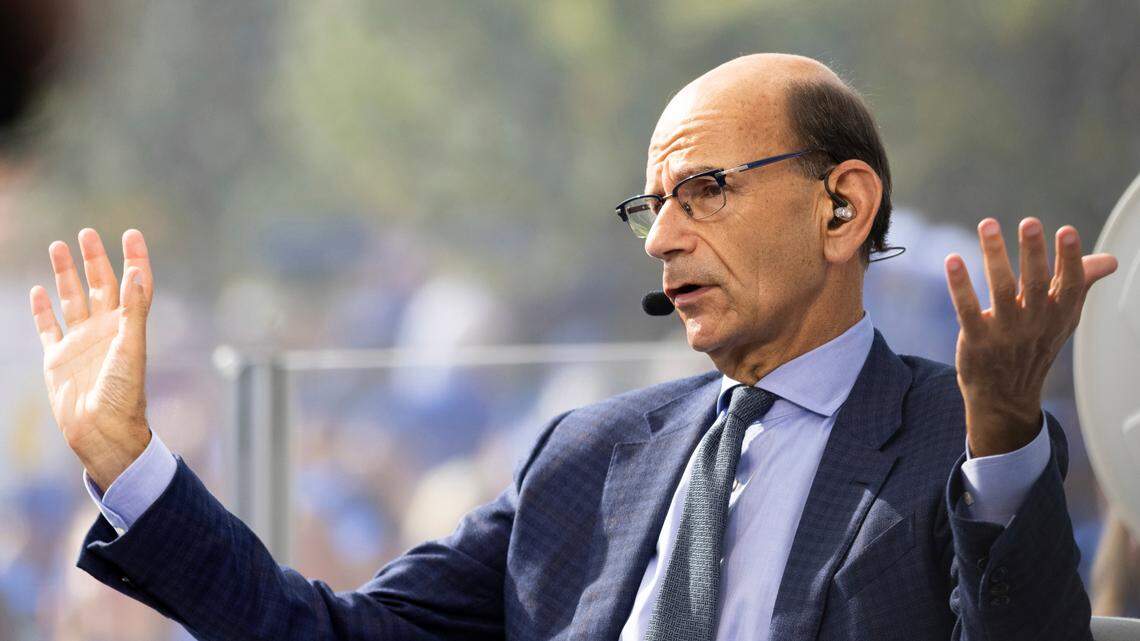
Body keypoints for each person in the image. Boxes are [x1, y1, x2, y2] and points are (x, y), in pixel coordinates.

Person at [29, 53, 1117, 640]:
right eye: (652, 207)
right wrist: (130, 460)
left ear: (843, 209)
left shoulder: (958, 441)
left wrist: (1008, 432)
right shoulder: (589, 456)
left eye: (704, 190)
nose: (668, 236)